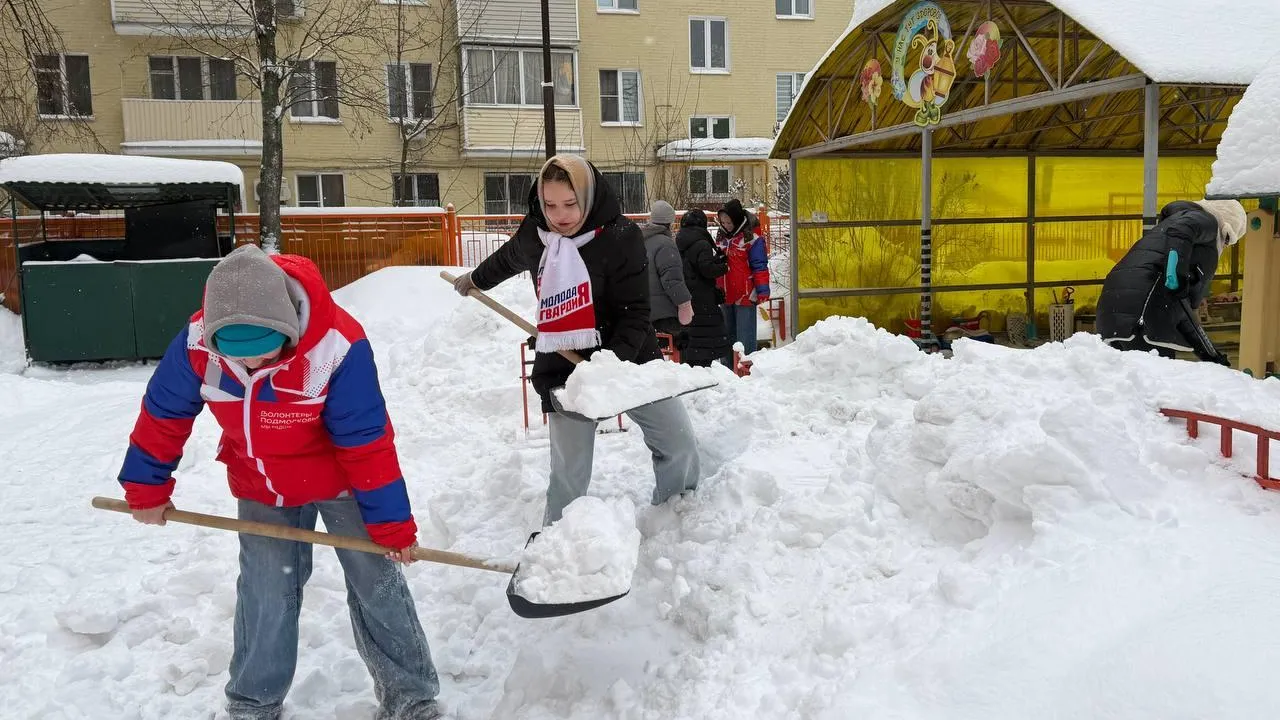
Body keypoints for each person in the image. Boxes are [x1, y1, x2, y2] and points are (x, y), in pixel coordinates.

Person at [116, 244, 441, 720]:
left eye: (261, 352)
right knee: (266, 590)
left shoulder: (337, 346)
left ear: (287, 328)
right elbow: (164, 413)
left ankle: (410, 697)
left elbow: (366, 440)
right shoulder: (195, 345)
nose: (249, 368)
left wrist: (391, 525)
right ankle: (253, 703)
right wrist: (145, 487)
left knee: (377, 579)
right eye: (236, 355)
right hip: (261, 481)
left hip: (342, 480)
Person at [451, 154, 700, 524]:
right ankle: (561, 546)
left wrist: (606, 368)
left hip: (630, 359)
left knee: (678, 443)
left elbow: (635, 313)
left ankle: (676, 517)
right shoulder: (537, 235)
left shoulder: (620, 238)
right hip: (562, 363)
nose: (560, 215)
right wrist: (475, 280)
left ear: (588, 195)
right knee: (569, 472)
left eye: (570, 203)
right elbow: (507, 259)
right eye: (549, 204)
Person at [1096, 198, 1246, 364]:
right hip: (1143, 313)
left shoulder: (1166, 238)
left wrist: (1211, 356)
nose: (1224, 247)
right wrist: (1175, 272)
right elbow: (1182, 230)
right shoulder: (1207, 220)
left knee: (1130, 382)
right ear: (1225, 225)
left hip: (1115, 313)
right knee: (1154, 382)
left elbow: (1185, 314)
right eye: (1227, 239)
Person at [715, 199, 771, 366]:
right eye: (723, 222)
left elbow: (759, 265)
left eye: (729, 222)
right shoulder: (721, 236)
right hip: (725, 293)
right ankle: (727, 370)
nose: (726, 225)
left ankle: (746, 370)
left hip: (745, 294)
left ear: (737, 219)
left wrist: (762, 290)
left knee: (744, 338)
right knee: (727, 336)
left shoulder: (752, 238)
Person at [673, 208, 731, 367]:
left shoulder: (679, 241)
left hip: (686, 297)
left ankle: (691, 368)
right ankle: (705, 373)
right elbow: (706, 269)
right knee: (706, 339)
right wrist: (724, 267)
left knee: (692, 337)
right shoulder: (702, 243)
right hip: (703, 298)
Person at [638, 199, 694, 346]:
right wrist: (684, 304)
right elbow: (672, 280)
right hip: (664, 315)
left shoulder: (641, 240)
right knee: (672, 359)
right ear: (670, 222)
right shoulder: (666, 244)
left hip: (644, 311)